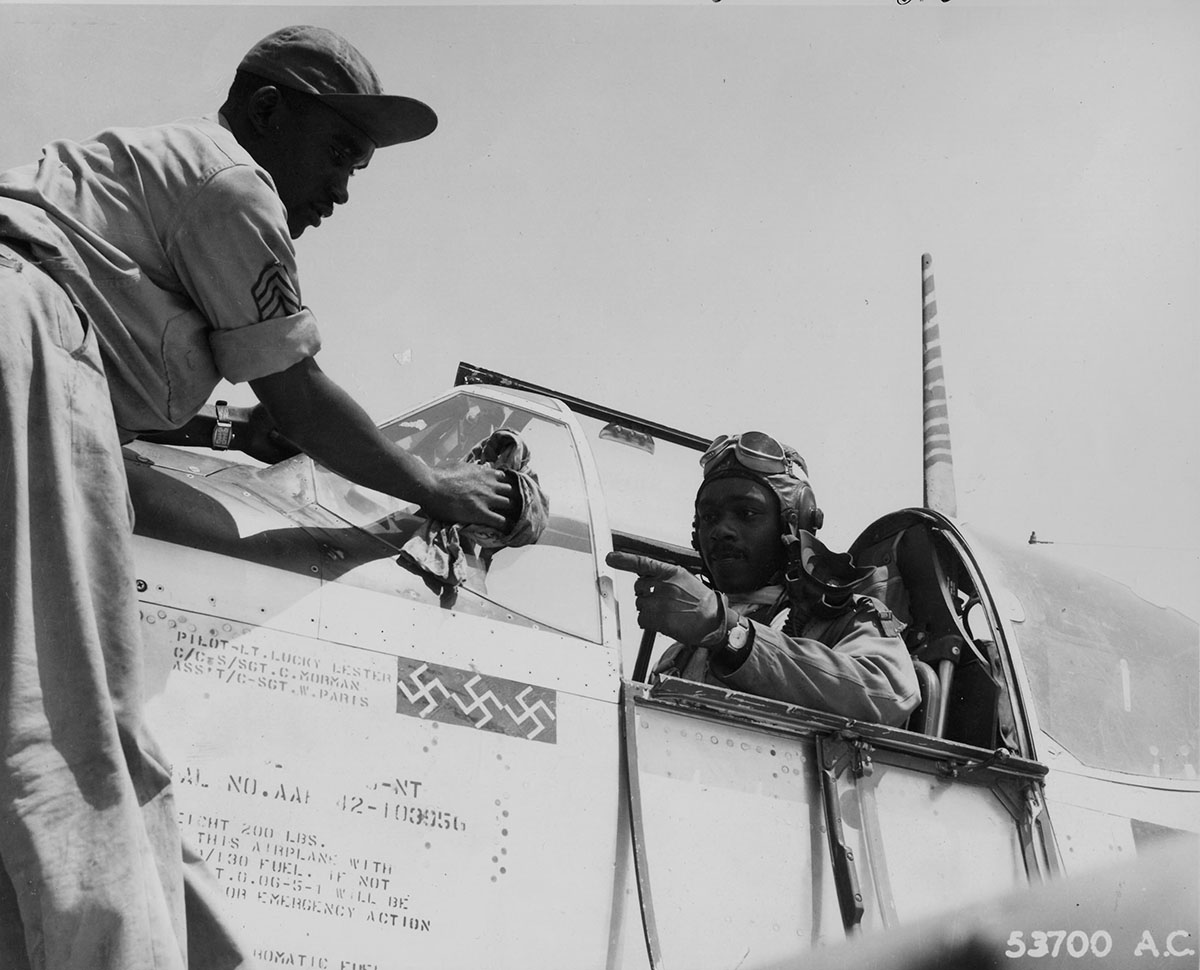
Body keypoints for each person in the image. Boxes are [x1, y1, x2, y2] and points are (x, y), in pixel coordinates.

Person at [0, 25, 514, 969]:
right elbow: (300, 393)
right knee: (68, 728)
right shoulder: (236, 183)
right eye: (338, 154)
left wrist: (240, 430)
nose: (344, 190)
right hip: (22, 354)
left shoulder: (164, 176)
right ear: (267, 110)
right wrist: (437, 488)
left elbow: (192, 380)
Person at [607, 432, 920, 726]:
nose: (721, 531)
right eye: (709, 518)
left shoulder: (846, 615)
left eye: (746, 514)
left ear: (793, 526)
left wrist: (729, 632)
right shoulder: (679, 653)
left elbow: (887, 693)